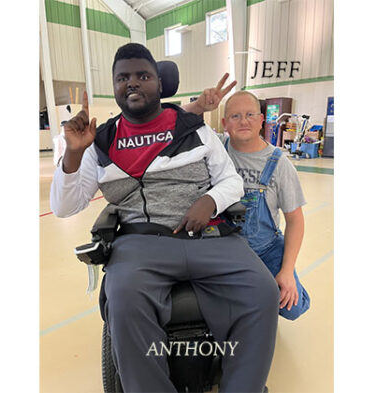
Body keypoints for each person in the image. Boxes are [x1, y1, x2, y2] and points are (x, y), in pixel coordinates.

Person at [50, 43, 279, 392]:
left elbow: (231, 181)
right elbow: (65, 207)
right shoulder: (102, 142)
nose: (132, 83)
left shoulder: (193, 129)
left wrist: (210, 200)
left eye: (142, 76)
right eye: (122, 77)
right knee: (123, 295)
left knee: (263, 290)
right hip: (141, 243)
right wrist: (73, 154)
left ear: (159, 83)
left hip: (210, 236)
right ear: (113, 87)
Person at [220, 91, 310, 320]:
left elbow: (295, 220)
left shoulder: (279, 164)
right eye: (235, 116)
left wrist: (287, 271)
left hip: (265, 249)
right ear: (224, 123)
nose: (243, 121)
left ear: (262, 120)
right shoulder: (217, 151)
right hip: (223, 249)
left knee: (293, 307)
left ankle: (276, 286)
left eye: (250, 114)